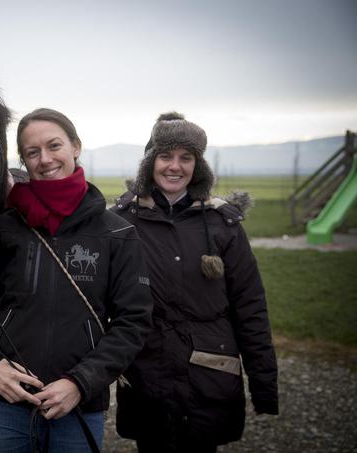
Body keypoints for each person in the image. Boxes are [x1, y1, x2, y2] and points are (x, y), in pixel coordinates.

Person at [0, 108, 153, 452]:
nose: (45, 159)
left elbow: (133, 322)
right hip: (1, 404)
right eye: (32, 152)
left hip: (76, 406)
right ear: (24, 161)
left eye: (54, 145)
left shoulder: (118, 234)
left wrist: (80, 382)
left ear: (76, 146)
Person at [112, 112, 279, 452]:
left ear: (197, 165)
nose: (175, 166)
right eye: (165, 156)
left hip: (209, 371)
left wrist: (263, 384)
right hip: (147, 370)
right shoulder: (121, 222)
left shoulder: (224, 225)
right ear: (149, 162)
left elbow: (250, 307)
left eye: (185, 158)